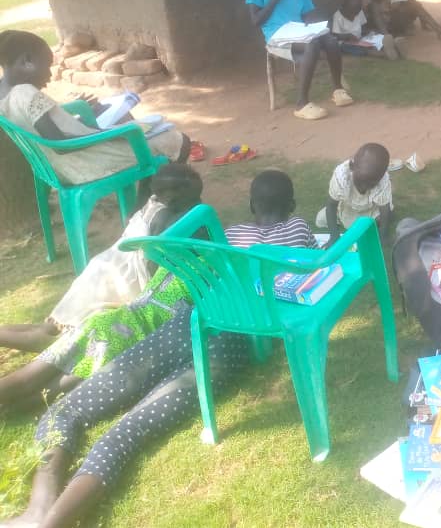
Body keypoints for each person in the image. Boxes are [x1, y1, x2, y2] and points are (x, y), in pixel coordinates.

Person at [6, 174, 319, 528]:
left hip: (189, 321)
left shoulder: (228, 237)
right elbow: (311, 265)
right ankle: (48, 521)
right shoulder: (297, 231)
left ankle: (39, 509)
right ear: (291, 206)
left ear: (251, 206)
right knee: (127, 432)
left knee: (63, 413)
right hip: (234, 344)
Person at [0, 166, 204, 411]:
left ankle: (13, 408)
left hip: (113, 320)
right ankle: (16, 406)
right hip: (124, 327)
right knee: (49, 372)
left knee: (48, 372)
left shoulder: (165, 256)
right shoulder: (192, 270)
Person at [0, 30, 190, 185]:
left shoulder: (5, 96)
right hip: (86, 163)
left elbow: (51, 133)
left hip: (62, 167)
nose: (50, 74)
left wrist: (89, 117)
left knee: (130, 125)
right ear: (26, 61)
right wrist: (111, 135)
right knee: (175, 139)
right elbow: (61, 145)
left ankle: (143, 206)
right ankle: (150, 207)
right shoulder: (25, 93)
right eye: (47, 66)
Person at [247, 0, 350, 120]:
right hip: (277, 35)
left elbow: (307, 12)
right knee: (312, 45)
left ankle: (338, 90)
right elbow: (256, 20)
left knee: (330, 41)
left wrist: (315, 28)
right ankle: (301, 104)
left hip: (298, 30)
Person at [318, 142, 393, 243]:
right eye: (360, 181)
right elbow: (331, 205)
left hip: (370, 210)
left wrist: (383, 236)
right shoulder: (341, 177)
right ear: (352, 166)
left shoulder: (383, 182)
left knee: (385, 216)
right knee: (320, 219)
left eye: (371, 184)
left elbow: (385, 209)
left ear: (382, 176)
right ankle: (363, 225)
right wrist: (334, 236)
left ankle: (367, 225)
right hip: (347, 207)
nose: (364, 188)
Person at [225, 169, 319, 249]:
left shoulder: (231, 234)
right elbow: (318, 259)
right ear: (292, 206)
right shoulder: (298, 227)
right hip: (289, 270)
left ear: (251, 206)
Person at [331, 0, 401, 60]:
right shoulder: (337, 16)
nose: (354, 16)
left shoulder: (359, 12)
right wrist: (348, 36)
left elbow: (363, 27)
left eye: (356, 13)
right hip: (346, 43)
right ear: (345, 7)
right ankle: (382, 54)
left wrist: (370, 32)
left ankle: (392, 46)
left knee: (377, 38)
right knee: (354, 49)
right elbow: (336, 35)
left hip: (360, 39)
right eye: (351, 13)